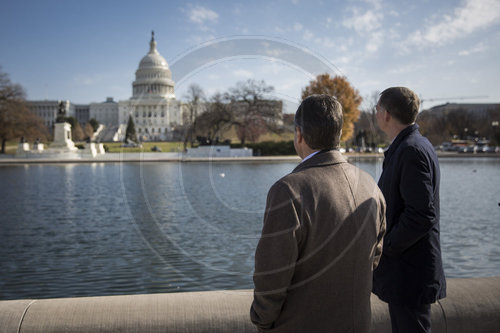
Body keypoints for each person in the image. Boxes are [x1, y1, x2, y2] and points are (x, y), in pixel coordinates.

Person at [250, 94, 386, 332]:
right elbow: (374, 257)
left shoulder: (289, 190)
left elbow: (272, 274)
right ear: (339, 133)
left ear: (299, 134)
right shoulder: (371, 186)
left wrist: (262, 320)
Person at [372, 87, 446, 333]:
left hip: (409, 274)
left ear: (387, 114)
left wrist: (386, 246)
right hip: (409, 271)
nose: (375, 112)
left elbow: (421, 215)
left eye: (377, 108)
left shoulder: (410, 150)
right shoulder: (412, 145)